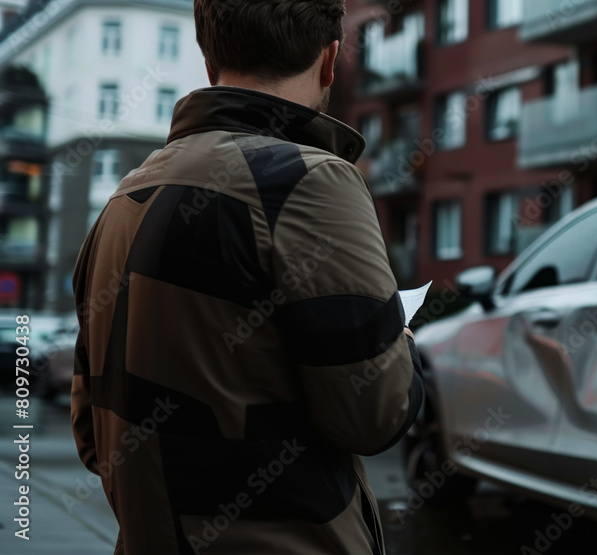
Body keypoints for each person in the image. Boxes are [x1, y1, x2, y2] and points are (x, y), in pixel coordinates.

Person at [69, 1, 424, 553]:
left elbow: (93, 438)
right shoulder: (310, 181)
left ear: (210, 59)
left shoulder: (125, 197)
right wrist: (398, 344)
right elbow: (374, 415)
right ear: (330, 60)